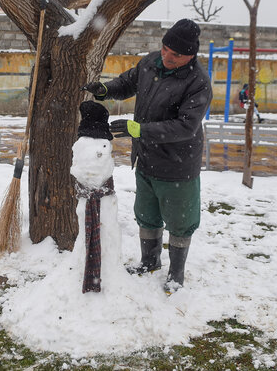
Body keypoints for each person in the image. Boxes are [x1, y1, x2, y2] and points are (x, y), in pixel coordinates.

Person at [81, 19, 212, 293]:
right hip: (147, 158)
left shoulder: (198, 82)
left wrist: (139, 130)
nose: (167, 57)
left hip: (177, 164)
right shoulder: (151, 62)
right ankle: (149, 261)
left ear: (191, 55)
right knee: (147, 214)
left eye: (175, 54)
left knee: (180, 221)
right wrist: (106, 90)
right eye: (164, 48)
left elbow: (186, 126)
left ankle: (176, 274)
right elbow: (128, 82)